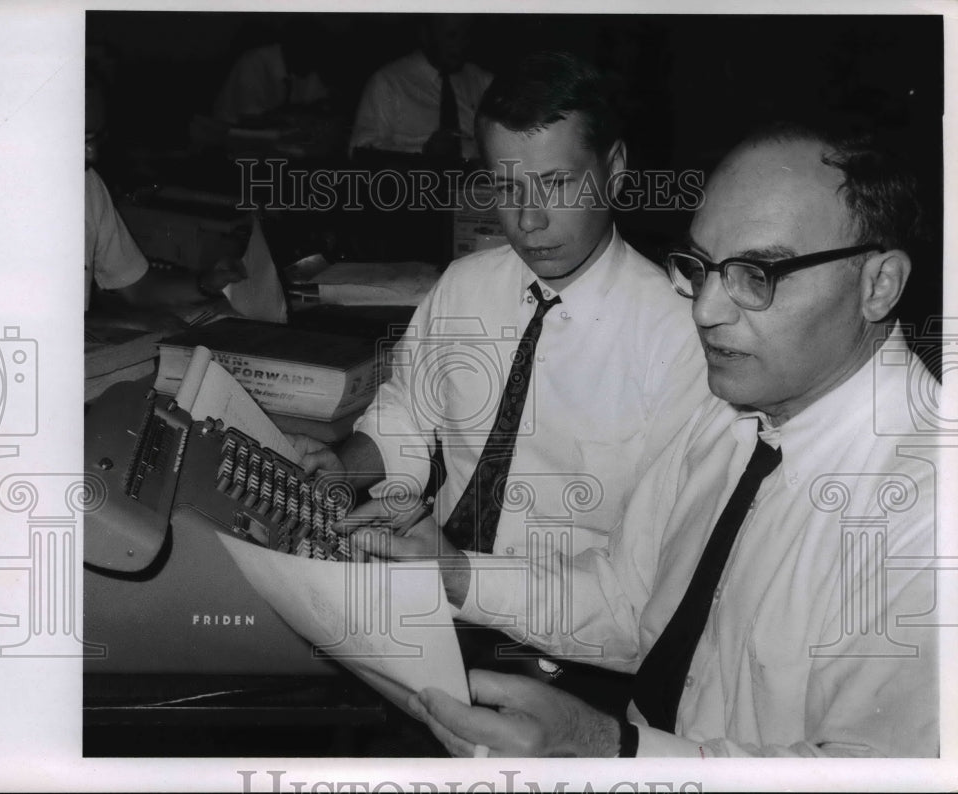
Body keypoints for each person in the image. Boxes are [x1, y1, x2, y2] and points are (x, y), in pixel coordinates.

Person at [354, 122, 940, 757]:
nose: (705, 308)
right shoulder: (731, 418)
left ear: (878, 286)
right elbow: (631, 604)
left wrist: (606, 751)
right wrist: (454, 574)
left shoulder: (925, 510)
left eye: (758, 274)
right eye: (701, 267)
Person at [297, 51, 707, 588]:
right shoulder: (464, 285)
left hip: (567, 627)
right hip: (430, 574)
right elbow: (407, 416)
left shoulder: (679, 337)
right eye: (508, 188)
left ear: (616, 169)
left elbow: (646, 576)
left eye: (557, 184)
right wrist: (344, 468)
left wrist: (465, 579)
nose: (529, 220)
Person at [85, 68, 246, 319]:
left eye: (95, 138)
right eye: (80, 139)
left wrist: (205, 284)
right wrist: (140, 327)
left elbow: (136, 287)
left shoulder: (88, 184)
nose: (92, 154)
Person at [348, 14, 493, 161]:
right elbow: (361, 151)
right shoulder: (388, 82)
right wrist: (422, 154)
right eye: (451, 36)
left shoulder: (482, 81)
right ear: (425, 35)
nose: (461, 44)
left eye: (467, 35)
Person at [212, 16, 331, 126]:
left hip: (273, 134)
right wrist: (296, 113)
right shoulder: (254, 61)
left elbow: (317, 101)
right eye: (311, 56)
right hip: (230, 129)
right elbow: (250, 119)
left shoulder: (305, 65)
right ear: (292, 48)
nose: (314, 65)